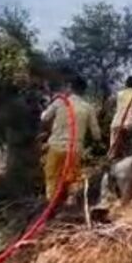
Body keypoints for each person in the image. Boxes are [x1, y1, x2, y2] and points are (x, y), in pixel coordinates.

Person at [40, 75, 102, 203]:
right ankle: (70, 203)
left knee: (52, 176)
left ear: (70, 87)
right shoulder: (88, 107)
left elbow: (44, 118)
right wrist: (97, 141)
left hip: (56, 147)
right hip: (75, 149)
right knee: (72, 178)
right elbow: (96, 133)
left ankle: (51, 204)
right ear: (84, 91)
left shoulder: (60, 102)